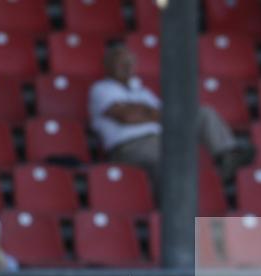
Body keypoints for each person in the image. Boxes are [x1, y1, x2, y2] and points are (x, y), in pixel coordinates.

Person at [88, 45, 251, 190]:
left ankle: (227, 156)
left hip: (161, 138)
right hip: (130, 147)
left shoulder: (142, 91)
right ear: (108, 65)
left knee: (203, 114)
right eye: (121, 62)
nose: (127, 66)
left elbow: (166, 115)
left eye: (130, 62)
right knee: (171, 155)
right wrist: (149, 112)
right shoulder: (101, 89)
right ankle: (172, 208)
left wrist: (142, 111)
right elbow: (126, 117)